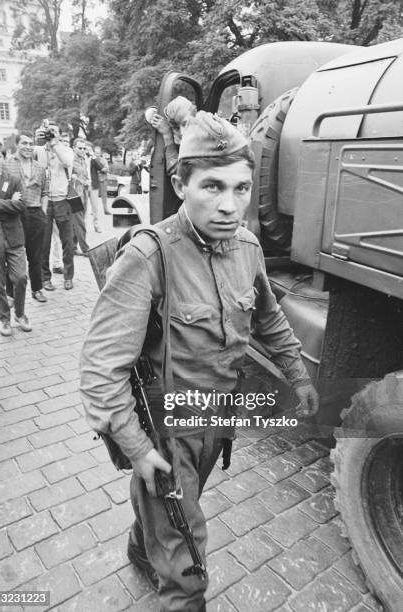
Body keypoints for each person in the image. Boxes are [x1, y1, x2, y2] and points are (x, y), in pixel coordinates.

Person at [80, 112, 319, 612]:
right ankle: (176, 582)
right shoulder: (149, 256)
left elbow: (269, 321)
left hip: (217, 417)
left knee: (173, 510)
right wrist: (138, 447)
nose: (230, 206)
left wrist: (298, 376)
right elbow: (102, 371)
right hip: (168, 428)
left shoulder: (248, 247)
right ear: (180, 183)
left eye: (242, 188)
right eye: (212, 186)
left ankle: (143, 546)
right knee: (188, 559)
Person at [5, 130, 48, 303]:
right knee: (13, 253)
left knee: (35, 254)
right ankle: (10, 293)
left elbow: (45, 191)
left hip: (36, 213)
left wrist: (43, 211)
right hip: (14, 215)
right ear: (17, 144)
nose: (28, 147)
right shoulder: (8, 164)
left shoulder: (39, 167)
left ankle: (37, 289)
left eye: (31, 143)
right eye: (24, 143)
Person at [0, 140, 31, 336]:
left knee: (21, 277)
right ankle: (5, 320)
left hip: (14, 234)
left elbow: (21, 204)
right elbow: (13, 206)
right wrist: (7, 203)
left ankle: (21, 313)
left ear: (4, 157)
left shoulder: (14, 179)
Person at [36, 121, 75, 291]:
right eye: (48, 131)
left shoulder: (66, 150)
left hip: (62, 200)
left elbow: (66, 162)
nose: (51, 133)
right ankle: (45, 278)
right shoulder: (39, 151)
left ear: (59, 134)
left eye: (54, 131)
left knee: (67, 241)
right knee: (44, 243)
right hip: (44, 201)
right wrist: (38, 140)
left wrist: (54, 144)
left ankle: (68, 276)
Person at [149, 96, 197, 175]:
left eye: (185, 124)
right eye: (176, 128)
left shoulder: (206, 141)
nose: (181, 132)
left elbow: (181, 174)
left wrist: (168, 136)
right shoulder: (182, 144)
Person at [71, 138, 90, 255]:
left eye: (84, 148)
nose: (83, 150)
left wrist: (86, 181)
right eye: (80, 148)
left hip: (84, 192)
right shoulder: (70, 160)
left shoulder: (83, 160)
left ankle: (73, 247)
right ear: (74, 148)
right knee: (80, 222)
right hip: (74, 194)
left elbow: (84, 176)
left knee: (78, 222)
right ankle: (85, 249)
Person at [88, 144, 108, 222]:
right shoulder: (86, 158)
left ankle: (105, 210)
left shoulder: (100, 159)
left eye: (98, 152)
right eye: (95, 152)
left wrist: (94, 157)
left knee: (101, 198)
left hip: (99, 181)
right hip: (89, 181)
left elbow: (103, 168)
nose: (97, 154)